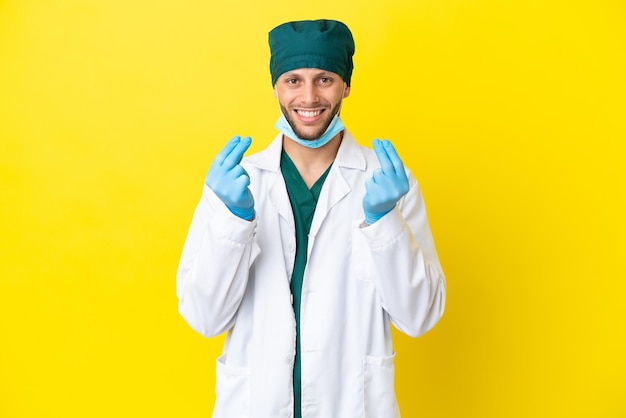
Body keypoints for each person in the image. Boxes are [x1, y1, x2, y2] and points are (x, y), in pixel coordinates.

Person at [176, 19, 446, 418]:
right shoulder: (239, 183)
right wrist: (233, 221)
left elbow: (420, 316)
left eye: (324, 79)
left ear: (346, 86)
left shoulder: (387, 184)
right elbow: (204, 317)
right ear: (275, 87)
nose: (308, 96)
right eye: (292, 80)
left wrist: (383, 221)